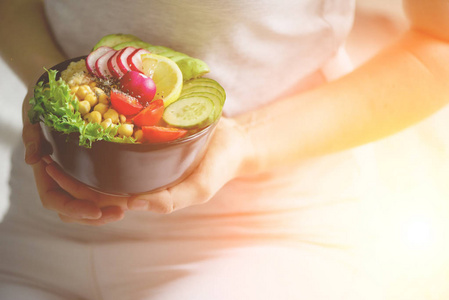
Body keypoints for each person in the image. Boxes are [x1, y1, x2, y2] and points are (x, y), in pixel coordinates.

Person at [1, 0, 448, 299]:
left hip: (260, 237)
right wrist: (53, 90)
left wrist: (246, 140)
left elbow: (439, 45)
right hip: (41, 233)